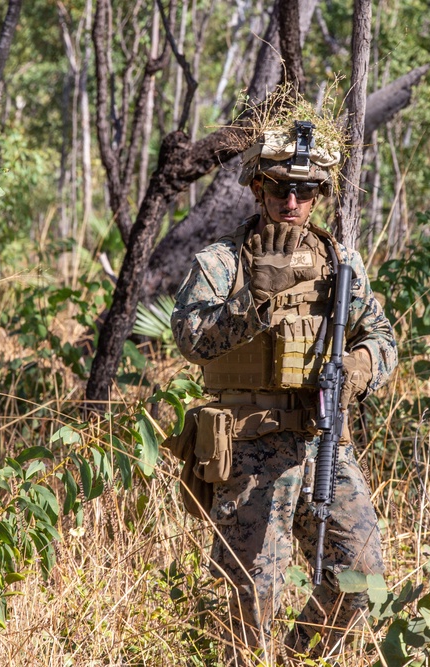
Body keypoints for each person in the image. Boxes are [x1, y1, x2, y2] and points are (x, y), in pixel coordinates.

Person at [170, 119, 398, 664]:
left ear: (320, 196)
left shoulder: (340, 264)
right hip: (250, 450)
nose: (291, 201)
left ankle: (299, 658)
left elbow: (382, 337)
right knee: (252, 600)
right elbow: (191, 339)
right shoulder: (223, 261)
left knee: (362, 575)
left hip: (323, 441)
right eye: (279, 188)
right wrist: (255, 300)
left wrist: (359, 369)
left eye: (305, 190)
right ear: (257, 189)